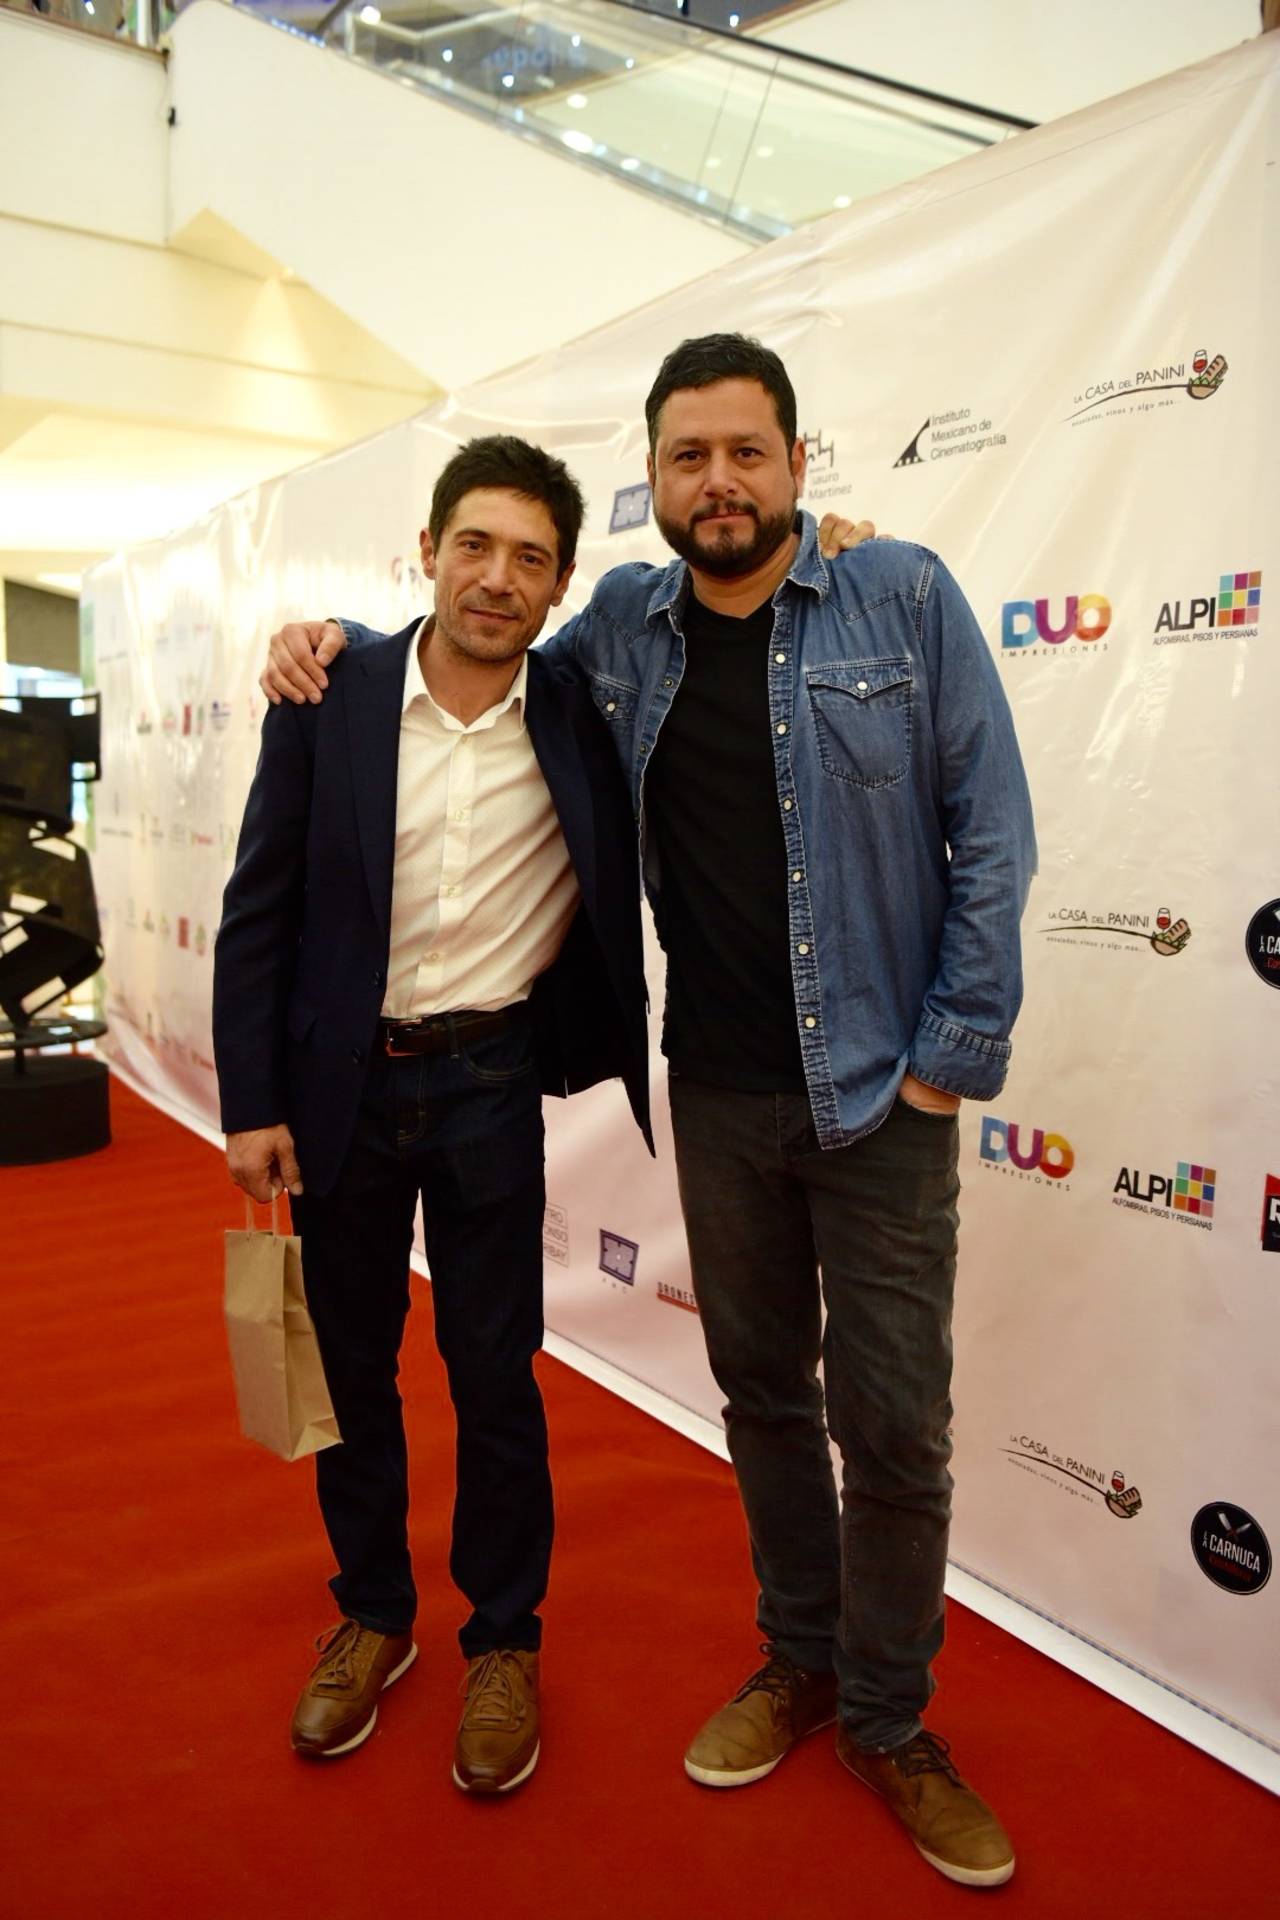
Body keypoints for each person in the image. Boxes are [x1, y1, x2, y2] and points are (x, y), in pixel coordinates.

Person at [262, 334, 1036, 1888]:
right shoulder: (622, 626)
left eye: (749, 453)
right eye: (691, 458)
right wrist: (329, 643)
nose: (720, 483)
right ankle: (798, 1660)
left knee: (895, 1427)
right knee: (763, 1399)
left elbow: (992, 828)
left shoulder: (901, 596)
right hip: (722, 1094)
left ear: (800, 465)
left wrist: (950, 1056)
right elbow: (475, 639)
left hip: (881, 1095)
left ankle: (889, 1720)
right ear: (656, 480)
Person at [213, 435, 654, 1794]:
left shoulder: (585, 711)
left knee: (493, 1374)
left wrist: (842, 548)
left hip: (488, 1086)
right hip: (338, 1088)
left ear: (561, 584)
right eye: (476, 545)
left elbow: (717, 606)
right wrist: (251, 1102)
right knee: (352, 1373)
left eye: (530, 558)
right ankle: (374, 1615)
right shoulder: (328, 695)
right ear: (428, 551)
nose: (497, 578)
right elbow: (259, 907)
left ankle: (505, 1639)